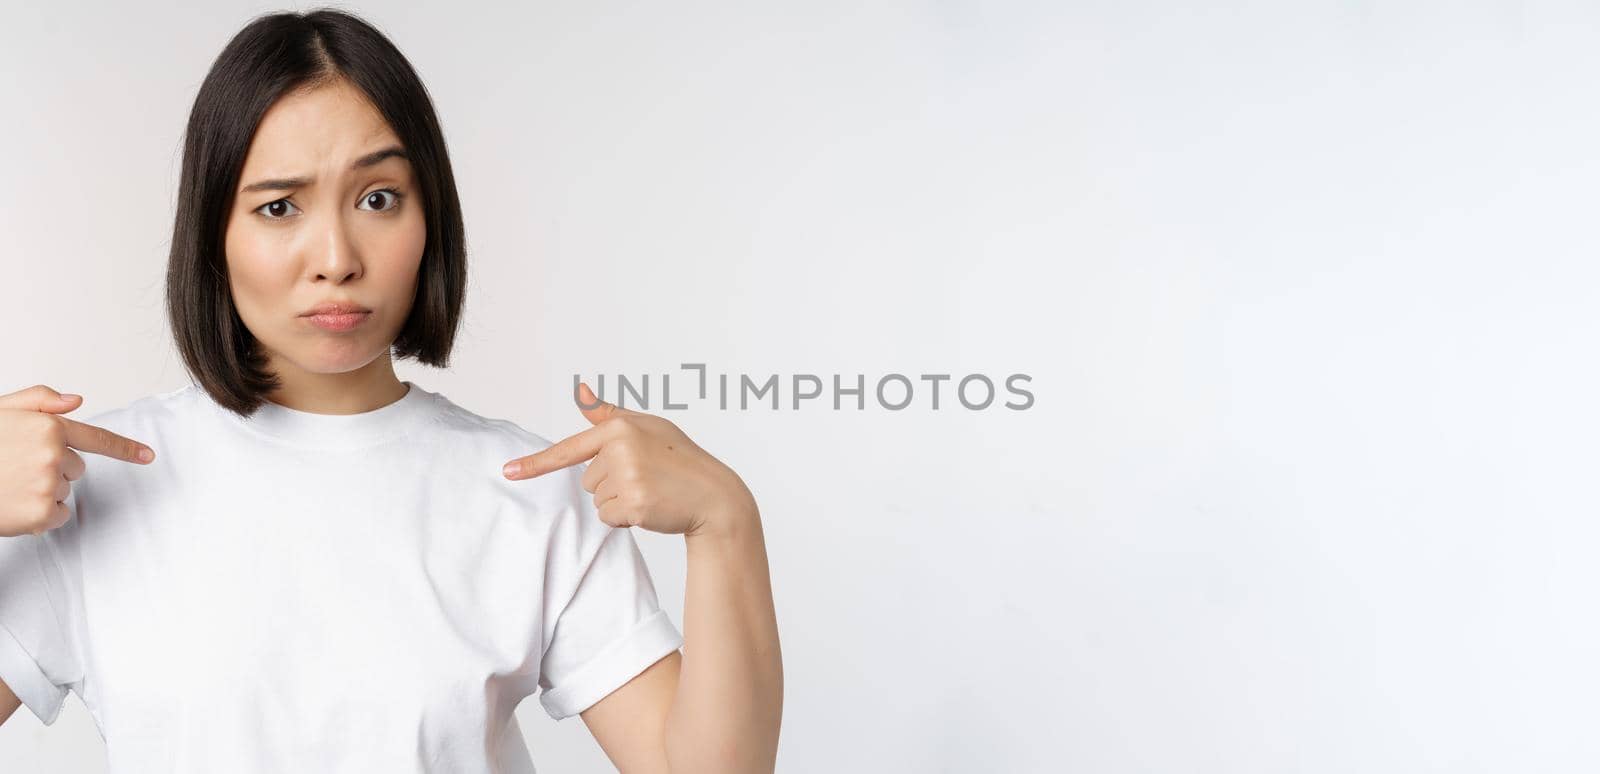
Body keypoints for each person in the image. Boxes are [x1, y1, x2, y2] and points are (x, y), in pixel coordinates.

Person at [0, 8, 782, 773]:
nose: (336, 256)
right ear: (213, 233)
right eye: (279, 207)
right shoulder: (90, 487)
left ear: (429, 216)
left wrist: (726, 521)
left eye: (378, 199)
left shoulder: (532, 494)